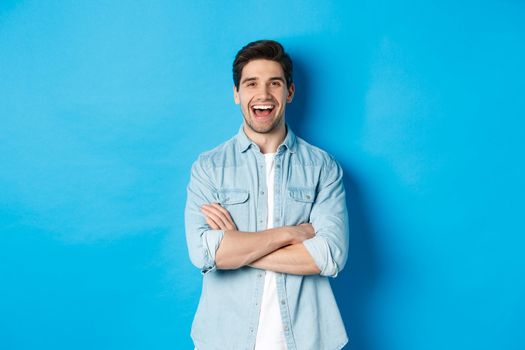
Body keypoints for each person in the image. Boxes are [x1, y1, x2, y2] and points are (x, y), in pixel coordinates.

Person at [185, 40, 349, 350]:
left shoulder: (322, 168)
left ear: (289, 92)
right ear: (236, 94)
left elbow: (329, 256)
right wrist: (292, 233)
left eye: (274, 83)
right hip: (224, 340)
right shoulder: (208, 167)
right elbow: (205, 254)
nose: (263, 94)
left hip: (308, 340)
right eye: (251, 84)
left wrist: (239, 247)